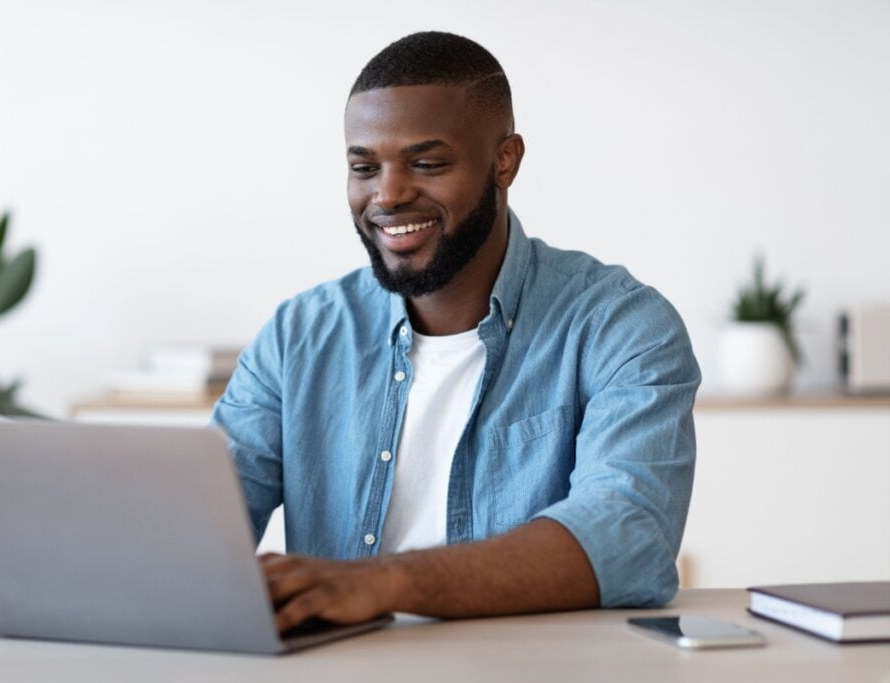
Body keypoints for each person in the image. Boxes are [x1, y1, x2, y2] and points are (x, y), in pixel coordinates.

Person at [211, 31, 700, 633]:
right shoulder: (299, 336)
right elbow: (202, 530)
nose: (387, 194)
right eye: (365, 167)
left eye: (427, 163)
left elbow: (629, 537)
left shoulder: (620, 325)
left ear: (505, 161)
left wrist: (381, 582)